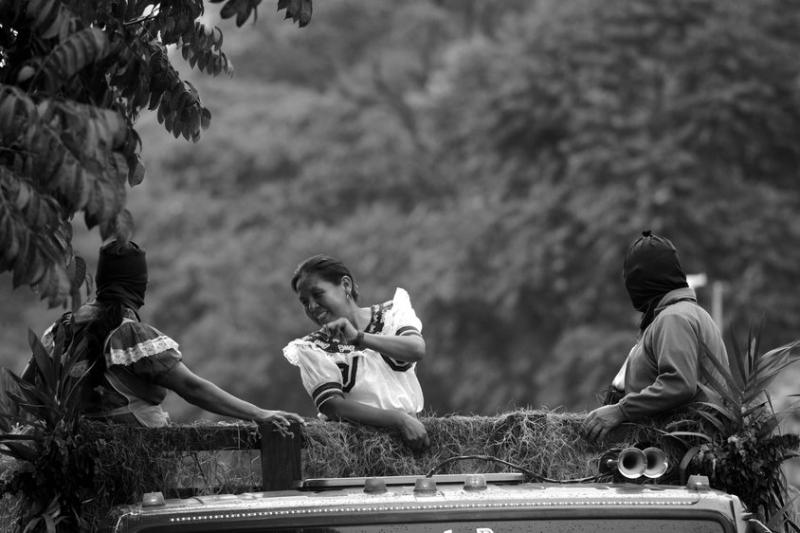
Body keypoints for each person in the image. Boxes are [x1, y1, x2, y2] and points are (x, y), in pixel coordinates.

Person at [26, 239, 304, 429]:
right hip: (133, 463)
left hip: (71, 464)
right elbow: (192, 388)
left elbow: (27, 392)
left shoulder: (61, 328)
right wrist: (260, 414)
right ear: (139, 286)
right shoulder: (131, 334)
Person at [583, 230, 729, 442]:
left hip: (686, 452)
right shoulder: (683, 314)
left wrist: (620, 411)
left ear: (643, 280)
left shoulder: (674, 318)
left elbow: (679, 384)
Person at [282, 254, 430, 450]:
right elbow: (333, 406)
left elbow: (416, 349)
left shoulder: (392, 315)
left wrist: (360, 338)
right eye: (305, 302)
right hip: (351, 451)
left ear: (345, 285)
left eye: (317, 295)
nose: (312, 307)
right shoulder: (312, 347)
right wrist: (399, 420)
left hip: (410, 444)